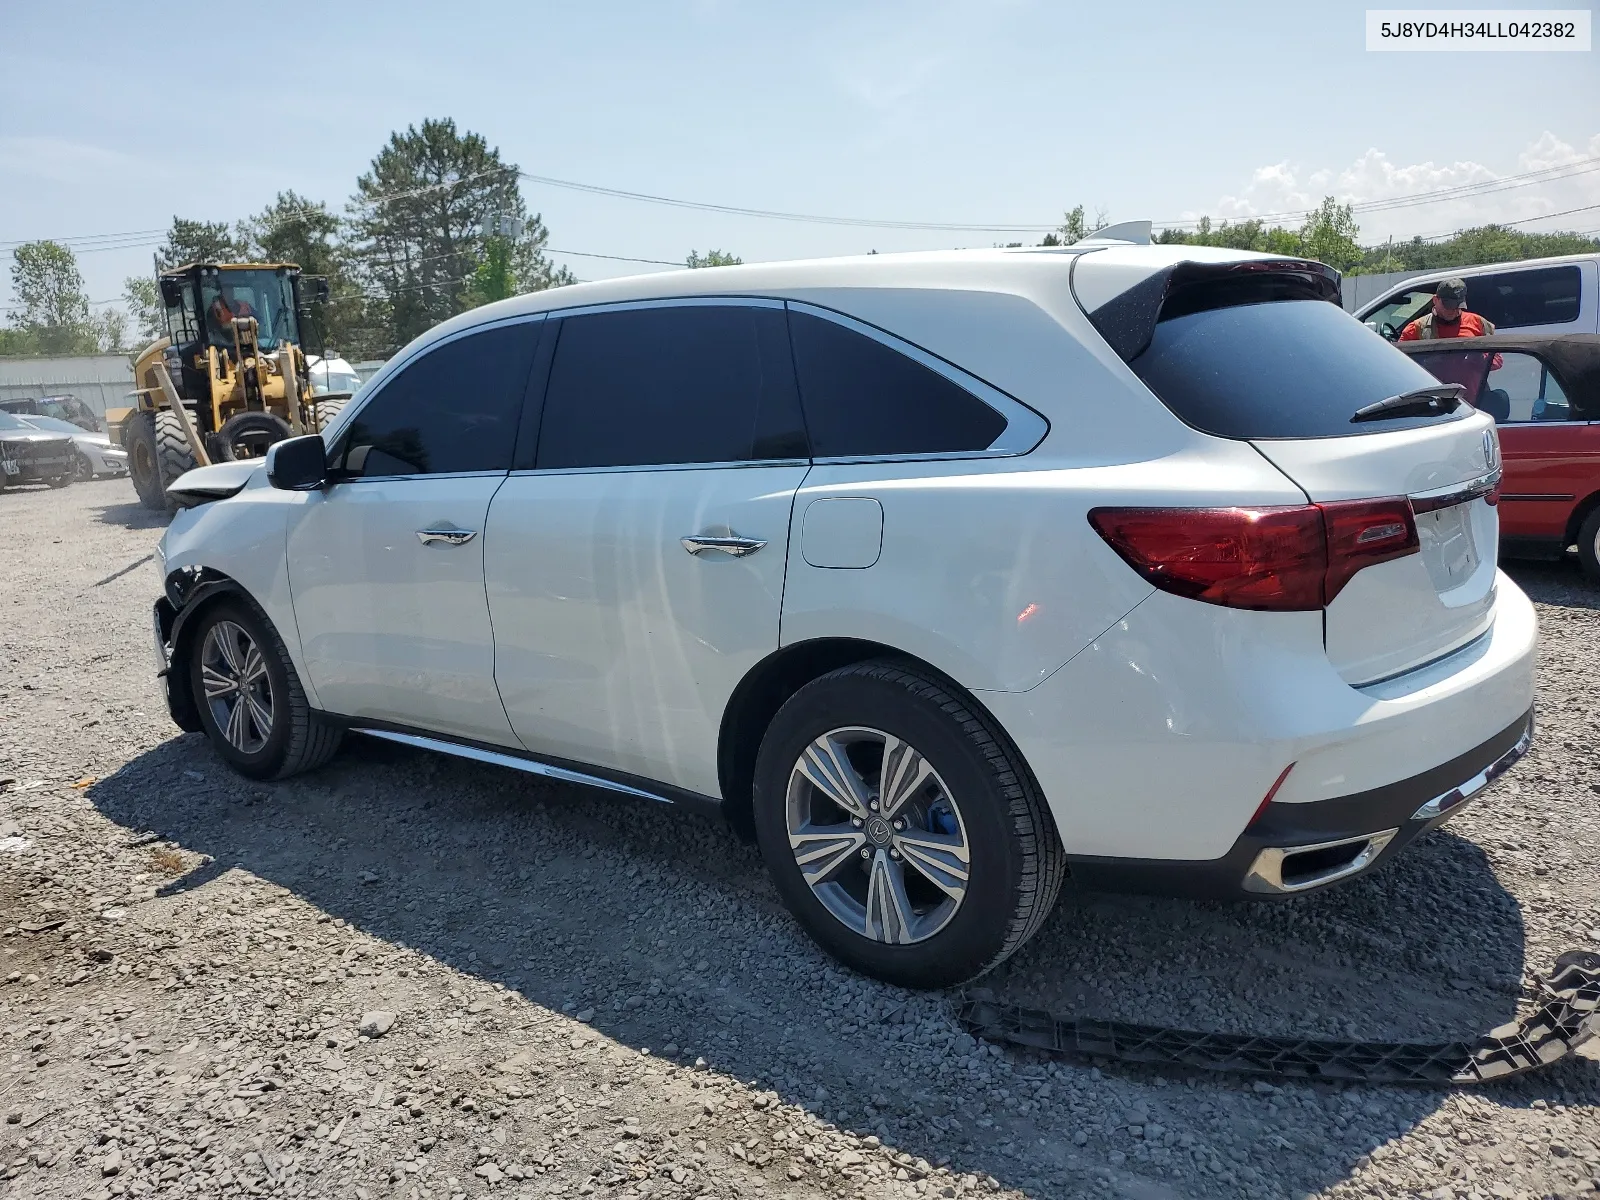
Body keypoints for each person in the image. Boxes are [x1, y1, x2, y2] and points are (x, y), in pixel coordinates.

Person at [1398, 278, 1495, 341]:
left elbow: (1497, 360)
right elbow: (1399, 362)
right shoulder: (1416, 329)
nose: (1454, 310)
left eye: (1458, 306)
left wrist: (1477, 357)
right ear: (1435, 300)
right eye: (1449, 306)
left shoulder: (1478, 323)